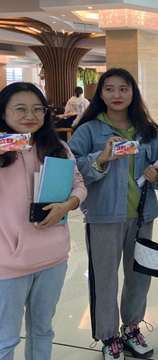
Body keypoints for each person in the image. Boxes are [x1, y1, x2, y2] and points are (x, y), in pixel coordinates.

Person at [69, 68, 158, 360]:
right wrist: (101, 158)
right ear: (100, 94)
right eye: (110, 89)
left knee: (139, 276)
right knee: (105, 279)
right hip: (103, 216)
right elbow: (72, 169)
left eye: (124, 89)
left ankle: (131, 328)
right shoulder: (88, 130)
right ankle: (108, 336)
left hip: (142, 215)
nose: (117, 95)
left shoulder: (147, 130)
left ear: (133, 93)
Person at [0, 83, 87, 360]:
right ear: (3, 112)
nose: (30, 115)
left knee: (42, 331)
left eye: (38, 109)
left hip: (53, 257)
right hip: (7, 263)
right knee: (5, 339)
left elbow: (78, 184)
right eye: (20, 108)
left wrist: (68, 204)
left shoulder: (57, 148)